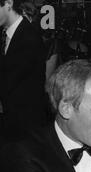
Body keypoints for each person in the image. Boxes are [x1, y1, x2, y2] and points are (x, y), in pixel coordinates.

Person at [0, 0, 47, 141]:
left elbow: (9, 79)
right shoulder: (6, 33)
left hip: (26, 126)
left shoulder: (28, 36)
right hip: (12, 120)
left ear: (8, 3)